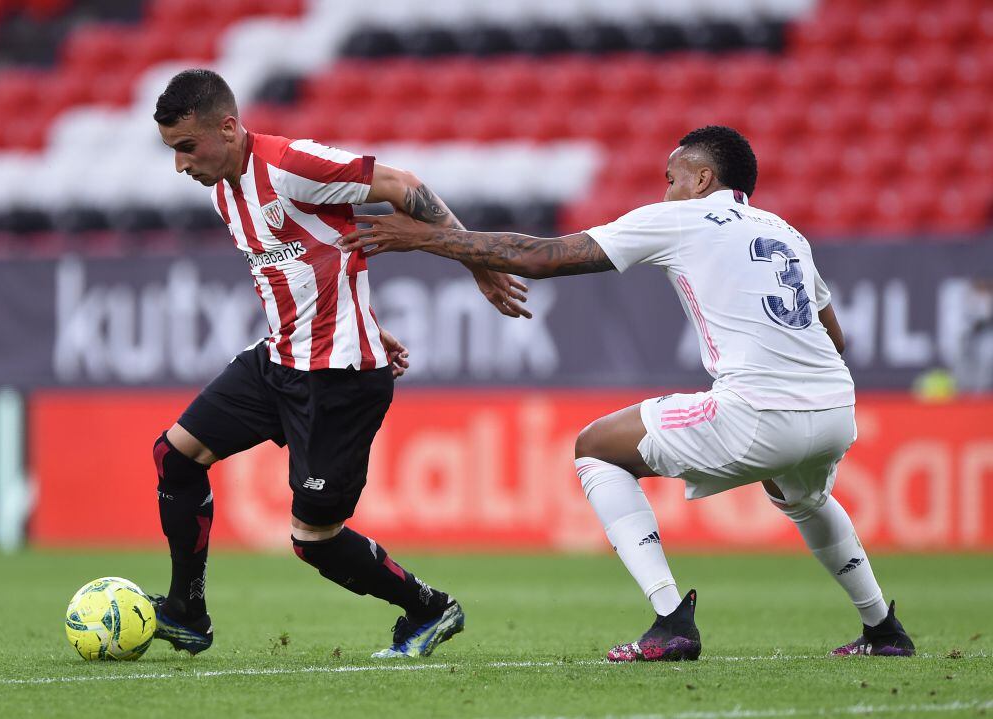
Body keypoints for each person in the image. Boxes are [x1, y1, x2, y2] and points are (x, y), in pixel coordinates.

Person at [338, 125, 916, 661]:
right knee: (803, 494)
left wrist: (428, 238)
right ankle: (883, 629)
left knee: (595, 447)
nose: (666, 192)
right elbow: (833, 336)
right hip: (836, 408)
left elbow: (543, 257)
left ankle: (671, 622)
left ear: (702, 180)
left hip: (760, 411)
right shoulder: (785, 231)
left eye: (672, 179)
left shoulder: (682, 219)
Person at [150, 68, 531, 658]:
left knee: (315, 540)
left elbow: (403, 185)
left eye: (186, 148)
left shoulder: (290, 164)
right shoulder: (225, 188)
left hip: (339, 380)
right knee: (175, 455)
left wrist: (477, 260)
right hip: (277, 361)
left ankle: (430, 609)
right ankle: (186, 612)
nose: (180, 166)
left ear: (227, 128)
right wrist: (367, 319)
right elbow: (310, 262)